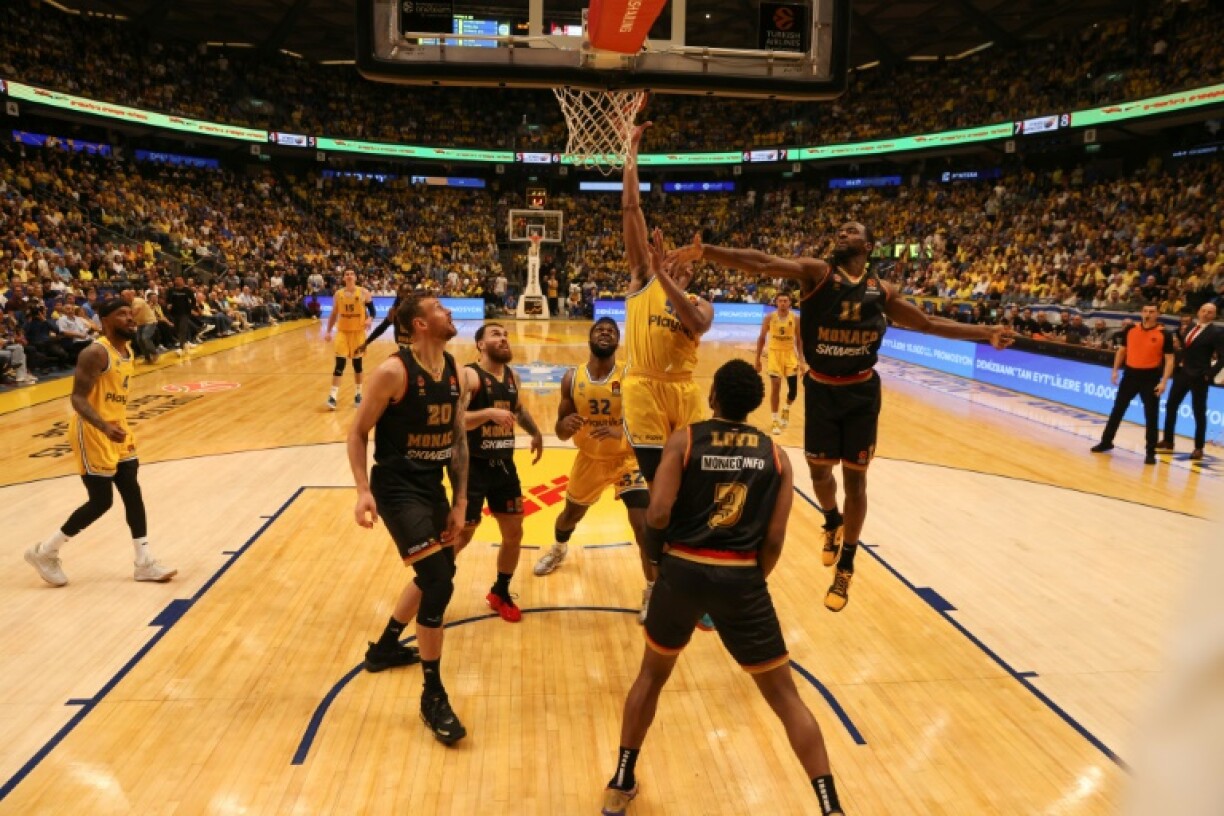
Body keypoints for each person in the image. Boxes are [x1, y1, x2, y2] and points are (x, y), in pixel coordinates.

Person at [670, 223, 1013, 611]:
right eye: (840, 230)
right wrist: (709, 251)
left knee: (856, 481)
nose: (841, 233)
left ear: (867, 245)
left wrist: (986, 332)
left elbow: (929, 324)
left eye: (851, 231)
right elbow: (764, 263)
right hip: (820, 389)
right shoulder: (818, 272)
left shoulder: (881, 291)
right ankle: (831, 521)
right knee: (819, 474)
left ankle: (847, 563)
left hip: (861, 393)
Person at [600, 360, 844, 816]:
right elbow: (774, 539)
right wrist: (753, 580)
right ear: (754, 405)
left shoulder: (686, 439)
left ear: (712, 397)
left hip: (683, 572)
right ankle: (830, 806)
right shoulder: (776, 456)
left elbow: (656, 514)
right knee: (785, 697)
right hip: (741, 579)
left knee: (651, 677)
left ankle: (621, 782)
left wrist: (658, 563)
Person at [347, 293, 470, 745]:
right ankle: (432, 693)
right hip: (396, 490)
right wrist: (363, 490)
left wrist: (459, 503)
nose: (450, 312)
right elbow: (358, 432)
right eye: (440, 308)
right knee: (438, 579)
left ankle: (383, 648)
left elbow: (458, 441)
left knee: (440, 569)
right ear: (420, 324)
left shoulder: (457, 371)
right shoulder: (392, 372)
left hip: (432, 488)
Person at [24, 299, 176, 587]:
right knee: (101, 501)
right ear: (104, 320)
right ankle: (45, 551)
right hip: (93, 431)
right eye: (122, 315)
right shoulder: (95, 353)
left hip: (118, 430)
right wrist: (104, 426)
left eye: (131, 314)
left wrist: (114, 426)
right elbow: (77, 399)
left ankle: (144, 562)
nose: (131, 319)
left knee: (132, 492)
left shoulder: (128, 350)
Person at [532, 317, 654, 621]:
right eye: (600, 329)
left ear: (617, 341)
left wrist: (621, 432)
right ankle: (559, 548)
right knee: (569, 516)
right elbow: (560, 431)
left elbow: (649, 422)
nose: (605, 332)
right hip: (590, 459)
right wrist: (565, 424)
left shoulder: (630, 376)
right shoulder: (571, 379)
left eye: (611, 331)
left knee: (644, 527)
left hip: (627, 459)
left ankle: (653, 589)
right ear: (590, 337)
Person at [620, 123, 713, 484]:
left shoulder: (700, 303)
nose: (679, 261)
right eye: (673, 257)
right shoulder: (643, 276)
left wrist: (665, 277)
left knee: (691, 478)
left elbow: (698, 324)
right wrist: (631, 150)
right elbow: (631, 207)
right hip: (643, 386)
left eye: (686, 261)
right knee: (659, 478)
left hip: (684, 389)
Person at [453, 323, 544, 623]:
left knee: (514, 533)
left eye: (505, 335)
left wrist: (535, 433)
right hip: (473, 467)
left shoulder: (512, 376)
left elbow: (517, 410)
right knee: (462, 536)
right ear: (480, 344)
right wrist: (489, 414)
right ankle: (432, 583)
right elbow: (456, 421)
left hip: (504, 465)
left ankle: (500, 592)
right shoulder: (469, 375)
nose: (503, 338)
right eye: (495, 335)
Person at [1091, 303, 1175, 465]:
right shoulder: (1130, 329)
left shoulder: (1164, 334)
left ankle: (1150, 452)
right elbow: (1122, 350)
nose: (1148, 314)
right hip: (1129, 375)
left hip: (1150, 378)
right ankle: (1106, 441)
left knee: (1151, 416)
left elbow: (1170, 359)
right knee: (1117, 410)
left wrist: (1164, 382)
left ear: (1158, 314)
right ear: (1141, 312)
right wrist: (1115, 370)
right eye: (1145, 311)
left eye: (1152, 312)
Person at [1157, 302, 1223, 460]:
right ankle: (1168, 440)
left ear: (1214, 315)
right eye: (1203, 310)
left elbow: (1222, 357)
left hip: (1200, 376)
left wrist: (1209, 374)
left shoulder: (1216, 332)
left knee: (1198, 412)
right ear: (1199, 311)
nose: (1206, 314)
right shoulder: (1190, 326)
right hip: (1182, 373)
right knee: (1171, 405)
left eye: (1210, 312)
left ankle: (1198, 448)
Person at [755, 292, 805, 435]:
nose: (783, 303)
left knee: (793, 392)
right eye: (780, 301)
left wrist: (801, 360)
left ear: (790, 303)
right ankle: (775, 419)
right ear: (776, 302)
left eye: (785, 301)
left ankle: (786, 409)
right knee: (775, 386)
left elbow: (799, 340)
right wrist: (757, 359)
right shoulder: (769, 318)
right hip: (774, 354)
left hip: (790, 355)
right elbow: (761, 339)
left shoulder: (795, 318)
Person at [325, 270, 371, 410]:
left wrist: (370, 318)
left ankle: (358, 394)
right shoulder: (338, 295)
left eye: (352, 274)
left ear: (356, 277)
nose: (349, 276)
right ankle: (333, 396)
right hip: (343, 333)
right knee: (340, 364)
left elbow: (372, 310)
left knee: (357, 365)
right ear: (344, 278)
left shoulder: (364, 292)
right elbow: (333, 314)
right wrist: (328, 331)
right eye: (347, 274)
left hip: (358, 333)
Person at [356, 282, 416, 355]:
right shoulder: (393, 311)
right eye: (406, 291)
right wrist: (366, 343)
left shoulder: (418, 310)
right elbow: (381, 328)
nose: (409, 294)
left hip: (417, 348)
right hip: (403, 347)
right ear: (400, 293)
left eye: (410, 292)